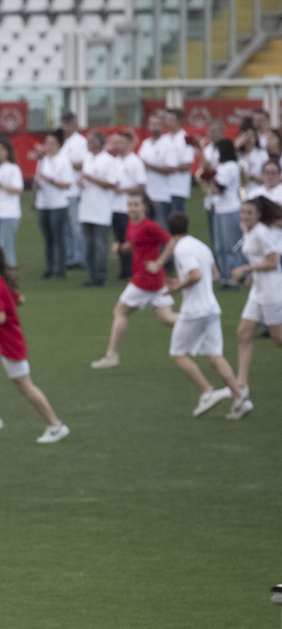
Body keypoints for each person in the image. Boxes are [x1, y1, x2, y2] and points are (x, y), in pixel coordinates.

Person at [0, 246, 70, 443]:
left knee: (25, 386)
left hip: (9, 343)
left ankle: (56, 426)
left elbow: (0, 317)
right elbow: (19, 298)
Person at [156, 213, 244, 417]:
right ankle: (240, 399)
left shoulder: (181, 248)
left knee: (177, 353)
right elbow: (214, 275)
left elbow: (196, 275)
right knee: (215, 355)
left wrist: (179, 286)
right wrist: (186, 280)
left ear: (170, 230)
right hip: (212, 307)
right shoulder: (200, 245)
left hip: (194, 311)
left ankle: (207, 390)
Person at [91, 189, 178, 368]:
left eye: (136, 205)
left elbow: (171, 241)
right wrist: (122, 248)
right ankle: (197, 321)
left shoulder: (149, 226)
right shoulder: (132, 223)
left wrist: (159, 262)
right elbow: (135, 244)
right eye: (130, 204)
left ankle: (111, 356)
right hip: (154, 280)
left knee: (119, 311)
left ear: (144, 207)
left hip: (145, 279)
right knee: (166, 318)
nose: (132, 208)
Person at [229, 196, 282, 417]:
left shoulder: (261, 232)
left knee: (278, 340)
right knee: (243, 333)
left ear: (258, 215)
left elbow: (273, 262)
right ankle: (241, 388)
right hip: (258, 291)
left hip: (272, 292)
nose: (245, 216)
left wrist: (246, 269)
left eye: (249, 213)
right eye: (243, 212)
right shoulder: (248, 230)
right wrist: (253, 274)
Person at [77, 130, 119, 287]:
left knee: (100, 245)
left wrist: (91, 179)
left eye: (89, 142)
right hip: (86, 207)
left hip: (101, 209)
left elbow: (112, 183)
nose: (87, 144)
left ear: (96, 144)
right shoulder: (88, 158)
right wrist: (82, 182)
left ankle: (100, 277)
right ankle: (92, 275)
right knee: (89, 245)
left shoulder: (108, 161)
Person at [34, 129, 73, 279]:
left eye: (52, 143)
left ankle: (60, 269)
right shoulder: (42, 160)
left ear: (59, 145)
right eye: (47, 143)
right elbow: (38, 179)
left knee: (58, 237)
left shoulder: (63, 161)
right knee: (48, 237)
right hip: (43, 202)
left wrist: (50, 180)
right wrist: (37, 185)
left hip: (57, 203)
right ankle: (49, 268)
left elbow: (67, 184)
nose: (49, 146)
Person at [111, 131, 147, 280]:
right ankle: (125, 269)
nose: (118, 145)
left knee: (131, 240)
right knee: (120, 239)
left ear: (129, 143)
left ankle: (134, 269)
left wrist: (124, 190)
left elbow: (141, 186)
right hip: (115, 206)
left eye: (121, 142)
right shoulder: (114, 161)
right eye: (117, 142)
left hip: (129, 208)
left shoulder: (135, 162)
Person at [210, 138, 244, 288]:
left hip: (229, 208)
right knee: (220, 246)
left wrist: (210, 181)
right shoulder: (222, 166)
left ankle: (234, 276)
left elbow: (220, 189)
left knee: (231, 245)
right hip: (219, 208)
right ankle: (224, 276)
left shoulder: (231, 166)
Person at [0, 137, 24, 270]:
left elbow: (18, 189)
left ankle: (10, 273)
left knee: (6, 247)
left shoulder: (13, 169)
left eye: (1, 149)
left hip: (8, 212)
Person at [60, 111, 89, 270]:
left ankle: (79, 257)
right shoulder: (62, 141)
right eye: (63, 123)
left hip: (74, 189)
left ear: (74, 124)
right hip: (61, 191)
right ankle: (69, 256)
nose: (64, 126)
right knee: (65, 227)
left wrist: (64, 164)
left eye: (67, 123)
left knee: (76, 226)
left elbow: (84, 163)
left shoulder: (80, 142)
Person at [139, 111, 179, 227]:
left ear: (162, 126)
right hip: (146, 195)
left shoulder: (167, 144)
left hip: (161, 195)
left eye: (157, 124)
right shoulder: (145, 144)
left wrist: (149, 166)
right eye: (152, 124)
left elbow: (171, 168)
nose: (154, 127)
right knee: (146, 228)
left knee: (161, 227)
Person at [198, 119, 227, 239]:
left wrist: (201, 150)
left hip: (222, 195)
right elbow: (203, 169)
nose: (211, 135)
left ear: (222, 132)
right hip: (210, 195)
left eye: (214, 132)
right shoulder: (209, 149)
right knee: (212, 232)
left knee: (223, 233)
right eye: (209, 132)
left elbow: (208, 167)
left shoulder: (225, 149)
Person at [165, 108, 195, 217]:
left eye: (171, 119)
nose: (168, 122)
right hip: (164, 188)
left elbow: (187, 164)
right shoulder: (165, 138)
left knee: (176, 220)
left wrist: (168, 168)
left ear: (179, 120)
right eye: (167, 119)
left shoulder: (187, 138)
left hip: (178, 188)